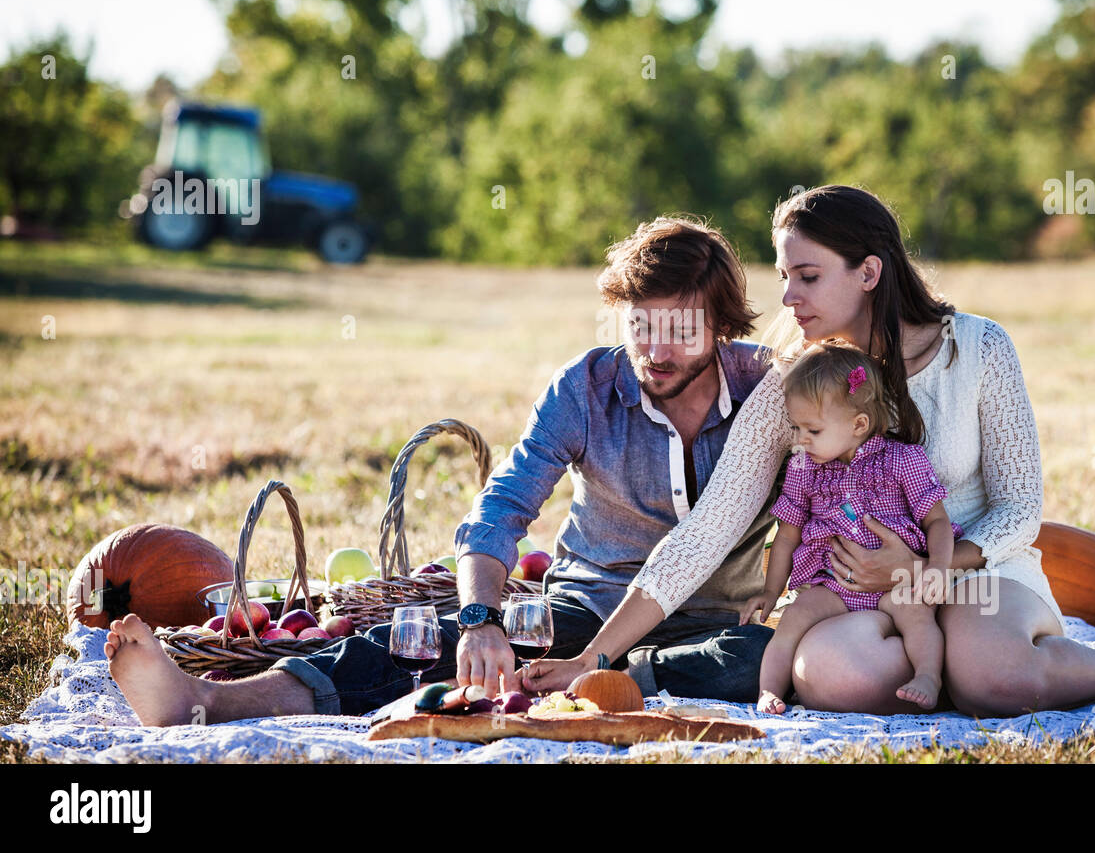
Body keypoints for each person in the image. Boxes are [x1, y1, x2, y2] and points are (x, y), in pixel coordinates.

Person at [527, 185, 1095, 717]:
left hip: (979, 575)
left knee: (996, 680)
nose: (786, 297)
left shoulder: (980, 349)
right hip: (855, 593)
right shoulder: (797, 378)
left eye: (806, 276)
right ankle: (938, 668)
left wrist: (926, 565)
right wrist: (597, 658)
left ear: (869, 271)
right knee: (832, 678)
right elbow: (707, 530)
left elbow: (1020, 508)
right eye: (785, 275)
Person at [103, 215, 782, 725]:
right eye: (641, 327)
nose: (656, 351)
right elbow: (499, 511)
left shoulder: (770, 391)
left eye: (681, 331)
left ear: (723, 326)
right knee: (427, 642)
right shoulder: (584, 387)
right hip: (586, 605)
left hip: (712, 623)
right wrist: (483, 614)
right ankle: (207, 701)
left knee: (765, 659)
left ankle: (615, 678)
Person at [742, 340, 960, 713]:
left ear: (858, 424)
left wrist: (938, 566)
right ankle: (769, 690)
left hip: (896, 581)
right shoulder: (803, 468)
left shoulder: (901, 459)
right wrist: (771, 590)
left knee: (917, 615)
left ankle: (928, 676)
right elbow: (787, 536)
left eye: (812, 430)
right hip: (835, 583)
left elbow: (936, 518)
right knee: (794, 617)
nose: (800, 440)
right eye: (796, 428)